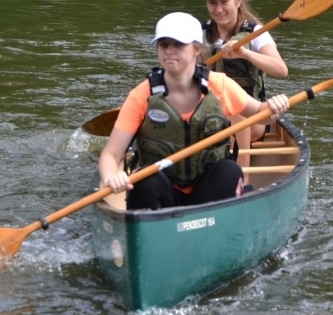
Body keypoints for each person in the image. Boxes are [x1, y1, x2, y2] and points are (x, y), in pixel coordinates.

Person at [98, 12, 290, 211]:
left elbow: (260, 113)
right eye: (164, 45)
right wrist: (111, 177)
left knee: (230, 170)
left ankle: (218, 220)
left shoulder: (219, 85)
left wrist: (274, 107)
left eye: (178, 45)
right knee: (144, 178)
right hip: (163, 195)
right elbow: (111, 155)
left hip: (206, 193)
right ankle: (148, 225)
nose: (169, 51)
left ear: (196, 49)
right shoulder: (142, 94)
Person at [201, 0, 289, 186]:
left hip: (252, 118)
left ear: (238, 0)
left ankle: (243, 177)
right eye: (212, 3)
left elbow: (281, 70)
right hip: (209, 116)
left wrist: (245, 54)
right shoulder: (199, 33)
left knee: (234, 107)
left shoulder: (256, 33)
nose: (218, 9)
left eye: (224, 1)